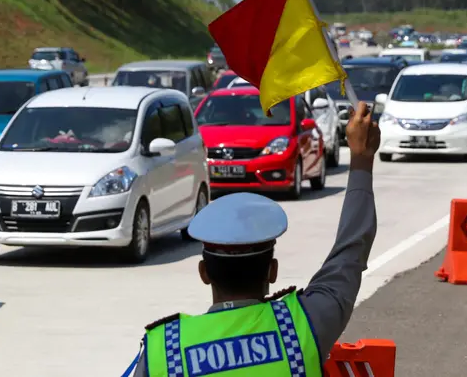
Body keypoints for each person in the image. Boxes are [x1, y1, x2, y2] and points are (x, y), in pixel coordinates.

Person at [123, 102, 380, 377]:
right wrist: (361, 159)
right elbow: (350, 254)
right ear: (273, 271)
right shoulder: (305, 325)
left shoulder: (162, 349)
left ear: (204, 273)